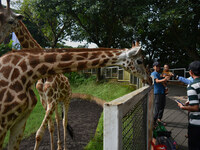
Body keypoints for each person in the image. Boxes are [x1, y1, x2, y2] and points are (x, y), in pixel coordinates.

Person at [177, 61, 200, 150]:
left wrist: (183, 107)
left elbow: (195, 107)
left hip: (196, 124)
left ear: (191, 72)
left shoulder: (192, 86)